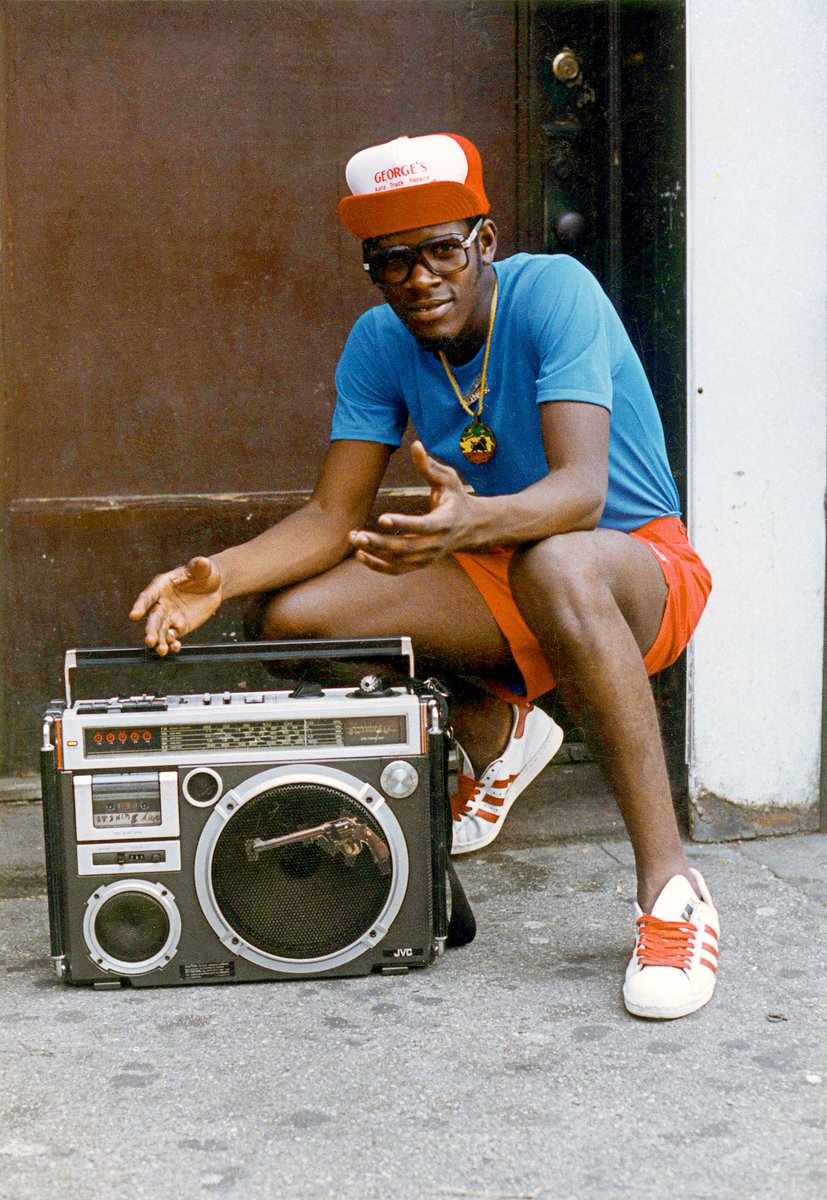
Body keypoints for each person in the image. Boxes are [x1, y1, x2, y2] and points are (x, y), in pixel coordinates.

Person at [131, 132, 718, 1019]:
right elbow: (332, 517)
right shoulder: (378, 339)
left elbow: (580, 494)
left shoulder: (555, 292)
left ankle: (671, 893)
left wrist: (472, 521)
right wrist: (223, 576)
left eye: (442, 248)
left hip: (630, 566)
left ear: (484, 239)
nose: (419, 277)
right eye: (391, 260)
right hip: (496, 565)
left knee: (556, 563)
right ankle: (493, 732)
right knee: (290, 619)